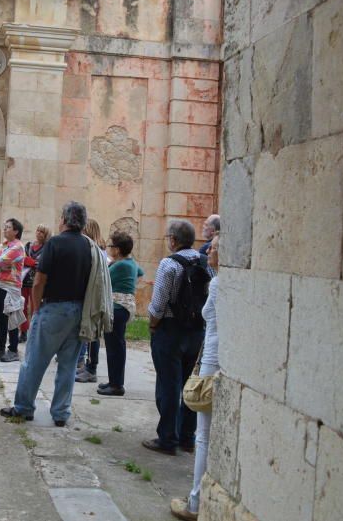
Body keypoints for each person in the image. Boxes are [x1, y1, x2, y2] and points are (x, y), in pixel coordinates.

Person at [0, 202, 94, 427]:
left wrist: (36, 307)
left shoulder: (55, 243)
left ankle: (24, 407)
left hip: (53, 308)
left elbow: (40, 280)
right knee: (68, 365)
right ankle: (61, 413)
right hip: (78, 310)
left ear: (64, 219)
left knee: (35, 360)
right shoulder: (88, 246)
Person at [144, 219, 210, 455]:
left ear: (173, 239)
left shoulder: (168, 264)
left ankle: (167, 439)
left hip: (170, 330)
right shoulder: (205, 262)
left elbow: (158, 303)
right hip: (196, 330)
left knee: (168, 385)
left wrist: (153, 325)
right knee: (189, 384)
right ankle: (187, 437)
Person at [171, 235, 221, 520]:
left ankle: (195, 502)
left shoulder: (217, 284)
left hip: (212, 362)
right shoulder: (223, 282)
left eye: (212, 247)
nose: (207, 250)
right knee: (206, 434)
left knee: (203, 435)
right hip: (217, 360)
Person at [97, 231, 143, 396]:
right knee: (116, 346)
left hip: (117, 308)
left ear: (117, 249)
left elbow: (102, 278)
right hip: (122, 307)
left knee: (114, 348)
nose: (109, 249)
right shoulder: (131, 263)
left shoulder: (120, 265)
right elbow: (140, 274)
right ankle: (114, 381)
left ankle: (116, 385)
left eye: (111, 246)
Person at [0, 218, 26, 362]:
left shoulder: (18, 247)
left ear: (16, 231)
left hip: (10, 287)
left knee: (11, 318)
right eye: (5, 226)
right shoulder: (2, 245)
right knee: (0, 318)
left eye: (8, 227)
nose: (5, 229)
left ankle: (13, 350)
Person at [76, 218, 109, 383]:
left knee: (90, 330)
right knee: (92, 330)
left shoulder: (95, 250)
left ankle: (87, 365)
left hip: (91, 294)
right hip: (95, 294)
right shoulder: (101, 250)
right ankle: (86, 364)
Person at [20, 224, 50, 343]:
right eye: (38, 230)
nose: (38, 233)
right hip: (24, 280)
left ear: (46, 235)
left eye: (42, 232)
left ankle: (33, 332)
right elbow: (22, 260)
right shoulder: (28, 246)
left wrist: (31, 262)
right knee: (22, 307)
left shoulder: (47, 248)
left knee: (35, 308)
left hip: (37, 283)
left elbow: (41, 264)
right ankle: (23, 332)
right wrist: (31, 262)